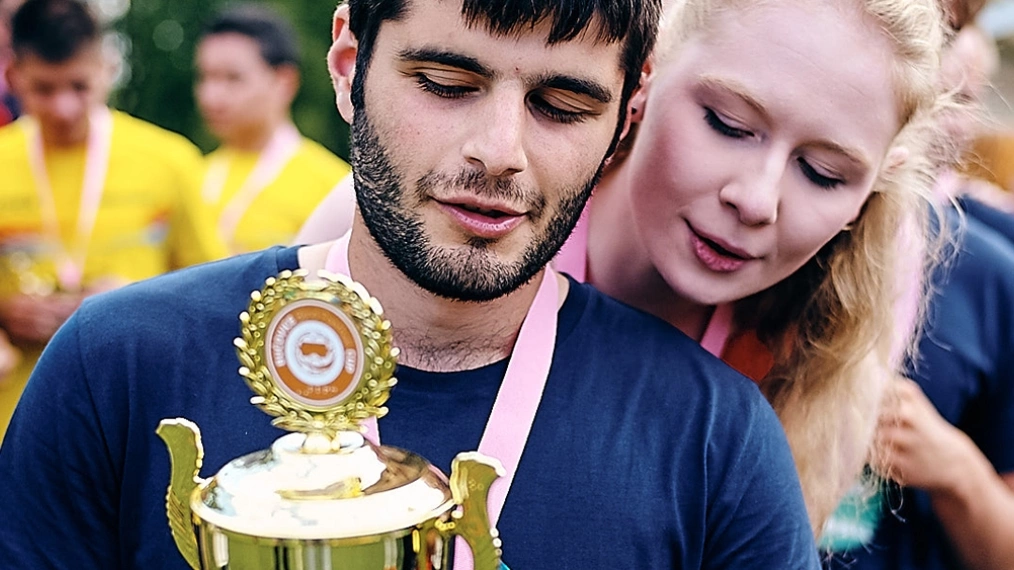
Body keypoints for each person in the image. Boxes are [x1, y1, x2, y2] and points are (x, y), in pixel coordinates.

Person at [0, 0, 822, 567]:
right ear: (348, 61)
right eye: (446, 83)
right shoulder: (114, 369)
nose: (498, 149)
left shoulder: (715, 442)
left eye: (562, 103)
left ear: (627, 117)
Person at [298, 0, 953, 538]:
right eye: (726, 125)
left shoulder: (835, 336)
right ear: (640, 86)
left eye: (824, 174)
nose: (756, 200)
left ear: (873, 188)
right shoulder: (436, 210)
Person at [0, 0, 225, 441]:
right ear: (14, 77)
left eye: (79, 86)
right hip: (17, 422)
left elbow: (216, 297)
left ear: (107, 67)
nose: (64, 107)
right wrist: (5, 314)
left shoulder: (169, 160)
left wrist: (136, 304)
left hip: (139, 418)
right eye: (44, 89)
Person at [196, 4, 351, 254]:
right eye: (205, 77)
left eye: (232, 78)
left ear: (284, 81)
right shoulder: (192, 176)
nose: (211, 96)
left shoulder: (334, 188)